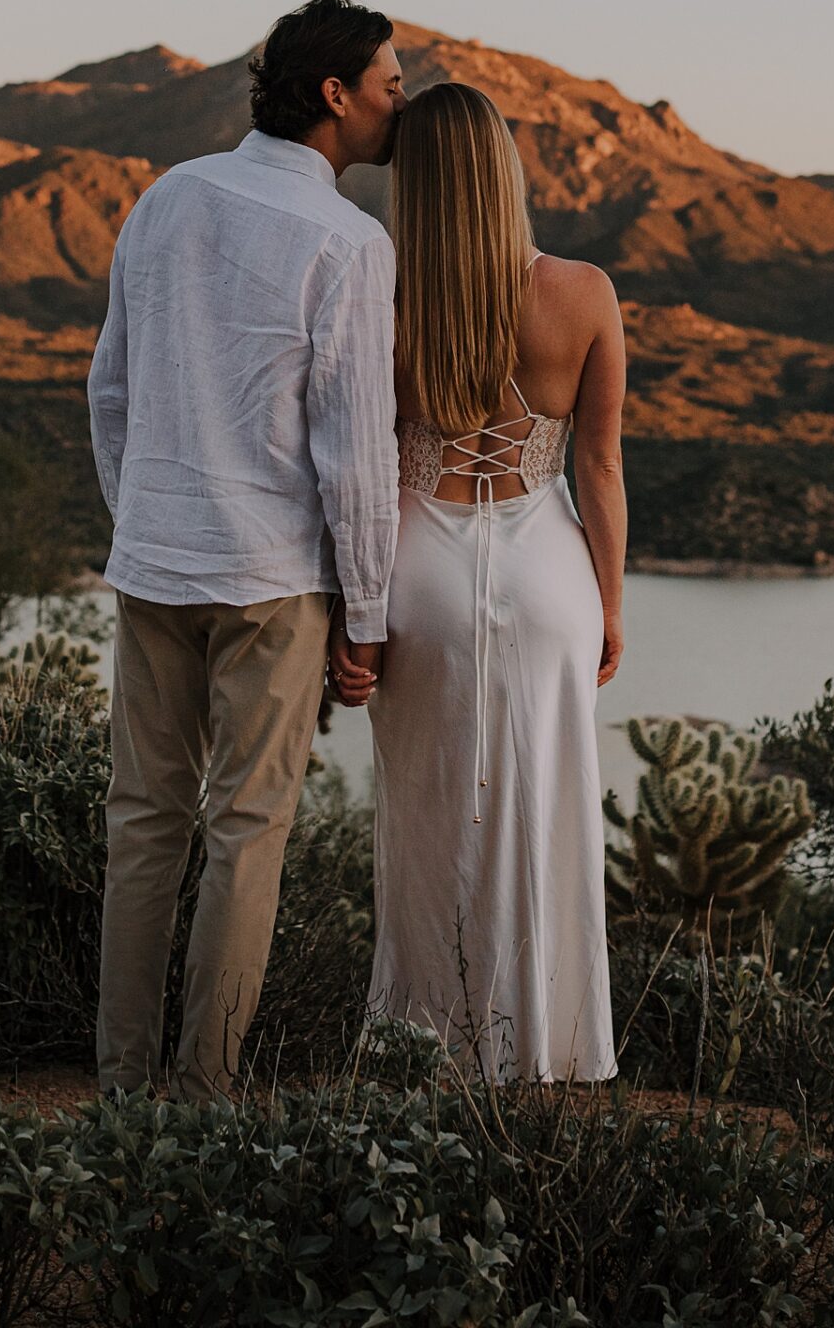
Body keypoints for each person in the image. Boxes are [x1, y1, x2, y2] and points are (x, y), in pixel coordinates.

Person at [87, 0, 405, 1098]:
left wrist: (140, 519)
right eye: (388, 82)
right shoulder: (349, 243)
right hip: (273, 580)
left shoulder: (167, 198)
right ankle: (205, 1093)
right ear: (335, 94)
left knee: (141, 825)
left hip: (155, 561)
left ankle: (123, 1084)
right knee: (247, 831)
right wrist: (365, 618)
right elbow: (355, 455)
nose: (397, 99)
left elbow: (111, 389)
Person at [333, 80, 626, 1082]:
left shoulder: (386, 301)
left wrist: (356, 616)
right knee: (546, 807)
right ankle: (540, 1048)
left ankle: (428, 1044)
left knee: (424, 817)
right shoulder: (583, 294)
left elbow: (366, 471)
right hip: (553, 572)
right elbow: (599, 468)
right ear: (505, 167)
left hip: (418, 573)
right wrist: (613, 605)